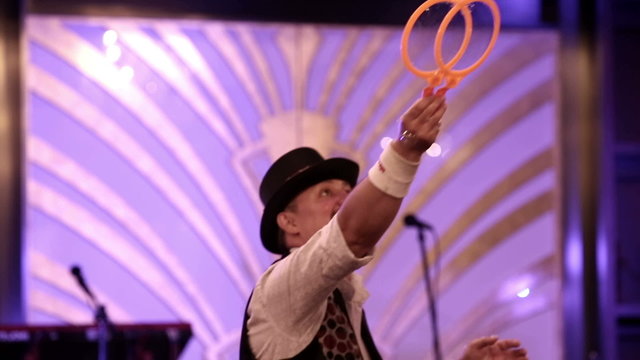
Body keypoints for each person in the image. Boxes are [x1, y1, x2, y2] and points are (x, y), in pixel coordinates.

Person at [240, 93, 528, 360]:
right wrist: (404, 152)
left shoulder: (343, 297)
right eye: (326, 193)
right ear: (289, 222)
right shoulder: (279, 291)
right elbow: (351, 235)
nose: (345, 199)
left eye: (347, 190)